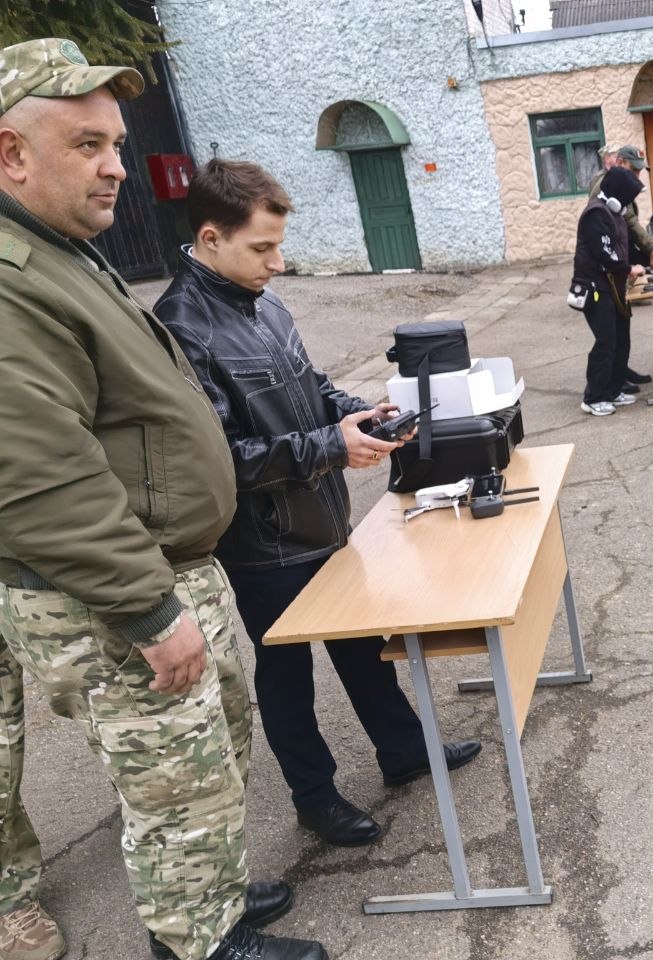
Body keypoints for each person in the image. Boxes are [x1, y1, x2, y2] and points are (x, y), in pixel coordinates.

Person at [0, 38, 324, 960]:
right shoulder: (12, 280)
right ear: (11, 153)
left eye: (115, 144)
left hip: (168, 567)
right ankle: (198, 943)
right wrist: (148, 608)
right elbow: (41, 477)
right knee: (174, 779)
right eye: (87, 145)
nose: (115, 166)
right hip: (116, 594)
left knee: (210, 755)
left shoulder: (61, 251)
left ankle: (213, 895)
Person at [153, 160, 481, 849]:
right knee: (286, 675)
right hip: (263, 542)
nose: (278, 262)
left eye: (278, 245)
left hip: (322, 516)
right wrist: (330, 447)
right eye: (262, 248)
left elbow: (313, 386)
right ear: (210, 238)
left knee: (361, 641)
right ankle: (315, 798)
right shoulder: (180, 326)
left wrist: (362, 413)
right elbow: (218, 457)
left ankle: (403, 749)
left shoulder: (264, 300)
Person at [588, 144, 653, 390]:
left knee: (622, 325)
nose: (637, 175)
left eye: (639, 170)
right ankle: (609, 384)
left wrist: (650, 255)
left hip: (620, 264)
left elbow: (629, 227)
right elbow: (623, 227)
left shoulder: (622, 186)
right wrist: (644, 256)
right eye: (634, 170)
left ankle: (620, 372)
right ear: (620, 163)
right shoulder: (606, 190)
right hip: (606, 273)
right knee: (611, 332)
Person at [571, 165, 647, 416]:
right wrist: (629, 268)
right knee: (606, 342)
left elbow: (625, 248)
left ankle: (613, 389)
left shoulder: (615, 214)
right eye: (628, 196)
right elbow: (605, 253)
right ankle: (593, 397)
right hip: (595, 287)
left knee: (621, 339)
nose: (629, 202)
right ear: (617, 192)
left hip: (614, 286)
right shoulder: (595, 214)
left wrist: (648, 260)